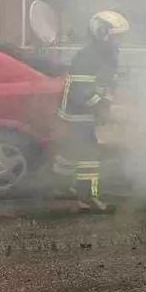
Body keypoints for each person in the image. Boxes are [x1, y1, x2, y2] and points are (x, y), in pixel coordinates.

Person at [52, 11, 129, 212]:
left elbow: (107, 83)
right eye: (115, 35)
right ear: (101, 32)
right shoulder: (88, 56)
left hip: (86, 109)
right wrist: (100, 109)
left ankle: (59, 186)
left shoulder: (107, 53)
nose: (118, 40)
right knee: (90, 155)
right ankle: (87, 198)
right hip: (80, 111)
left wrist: (107, 103)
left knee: (72, 148)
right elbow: (81, 91)